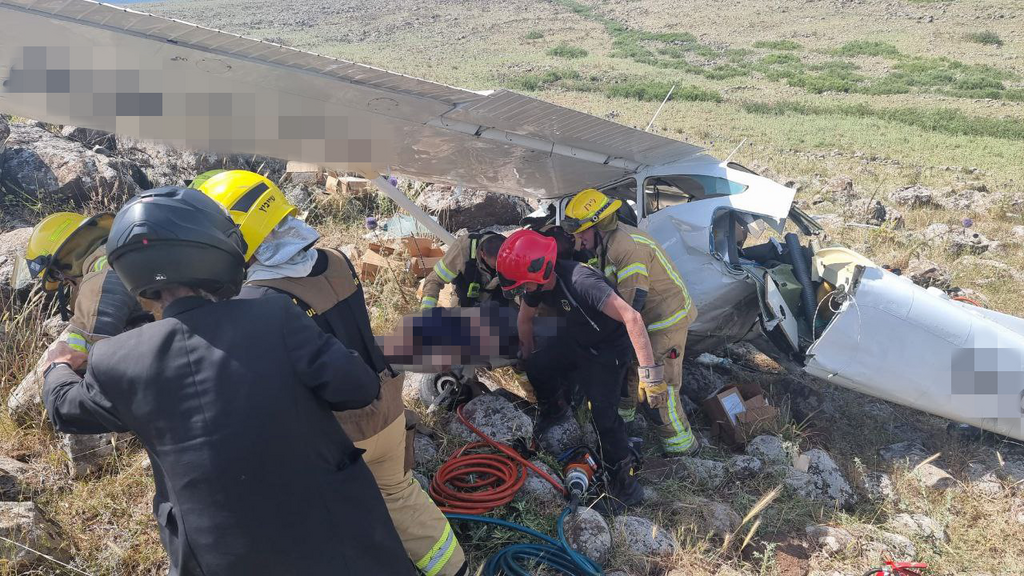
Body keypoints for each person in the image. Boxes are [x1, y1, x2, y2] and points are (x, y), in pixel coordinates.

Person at [42, 186, 414, 575]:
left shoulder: (117, 360)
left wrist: (57, 365)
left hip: (215, 559)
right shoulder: (272, 315)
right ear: (212, 248)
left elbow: (65, 409)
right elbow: (359, 388)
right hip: (339, 545)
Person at [198, 170, 465, 576]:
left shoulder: (257, 301)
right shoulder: (338, 261)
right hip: (387, 407)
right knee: (398, 495)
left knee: (330, 517)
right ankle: (454, 568)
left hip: (336, 433)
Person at [498, 229, 655, 512]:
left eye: (525, 285)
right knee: (539, 362)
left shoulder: (581, 281)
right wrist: (525, 352)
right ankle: (555, 409)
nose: (524, 291)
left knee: (604, 417)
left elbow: (632, 317)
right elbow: (525, 318)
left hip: (608, 350)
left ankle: (626, 486)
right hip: (578, 339)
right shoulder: (538, 285)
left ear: (540, 273)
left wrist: (649, 374)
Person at [563, 188, 699, 456]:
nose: (578, 238)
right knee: (629, 372)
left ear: (600, 225)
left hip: (665, 322)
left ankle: (683, 450)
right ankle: (625, 426)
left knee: (659, 388)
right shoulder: (605, 244)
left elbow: (630, 311)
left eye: (582, 232)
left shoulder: (628, 250)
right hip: (646, 321)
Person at [14, 211, 149, 354]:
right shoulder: (120, 249)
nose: (64, 280)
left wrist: (57, 367)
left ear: (61, 265)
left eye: (56, 276)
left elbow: (83, 350)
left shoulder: (101, 275)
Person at [419, 230, 507, 309]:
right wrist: (427, 312)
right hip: (465, 300)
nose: (498, 268)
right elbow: (434, 280)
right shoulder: (462, 249)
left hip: (499, 300)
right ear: (482, 254)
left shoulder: (514, 250)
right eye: (494, 266)